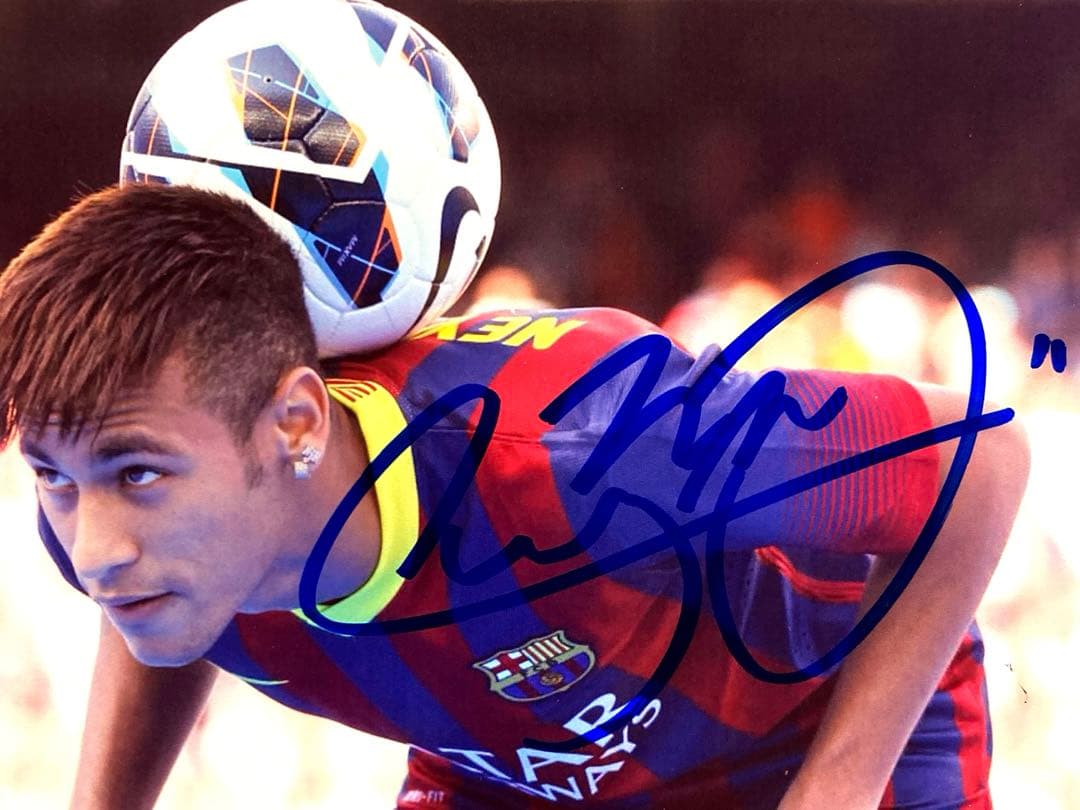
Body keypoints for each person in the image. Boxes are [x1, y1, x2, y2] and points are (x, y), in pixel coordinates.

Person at [0, 183, 1028, 809]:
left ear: (296, 426)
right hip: (510, 777)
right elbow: (168, 618)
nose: (96, 553)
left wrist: (834, 792)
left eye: (138, 475)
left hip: (807, 730)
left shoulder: (594, 439)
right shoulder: (127, 529)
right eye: (50, 475)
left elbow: (977, 462)